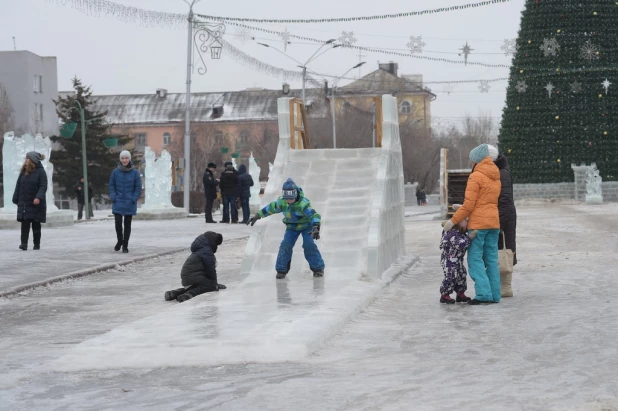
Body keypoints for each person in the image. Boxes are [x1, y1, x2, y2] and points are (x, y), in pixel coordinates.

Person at [443, 144, 501, 305]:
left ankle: (483, 294)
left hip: (478, 226)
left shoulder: (476, 176)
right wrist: (460, 208)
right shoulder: (495, 176)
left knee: (475, 260)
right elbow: (484, 202)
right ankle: (495, 294)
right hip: (494, 223)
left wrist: (452, 221)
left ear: (477, 160)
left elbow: (470, 205)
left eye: (471, 159)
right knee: (491, 259)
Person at [247, 178, 325, 279]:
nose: (289, 201)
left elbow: (314, 215)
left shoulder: (303, 204)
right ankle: (281, 270)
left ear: (295, 195)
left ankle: (318, 268)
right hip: (292, 227)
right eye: (287, 199)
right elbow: (271, 208)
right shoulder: (282, 202)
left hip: (307, 226)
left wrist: (315, 227)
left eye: (291, 199)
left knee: (308, 244)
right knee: (285, 245)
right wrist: (258, 215)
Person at [164, 231, 226, 303]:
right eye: (217, 244)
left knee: (198, 286)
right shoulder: (207, 251)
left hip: (188, 277)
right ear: (213, 242)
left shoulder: (201, 249)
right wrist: (214, 284)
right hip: (192, 276)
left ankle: (174, 293)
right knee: (210, 286)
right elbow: (211, 270)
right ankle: (189, 294)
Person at [13, 152, 47, 251]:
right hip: (24, 203)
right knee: (25, 223)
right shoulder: (23, 172)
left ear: (33, 160)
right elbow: (18, 186)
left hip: (36, 203)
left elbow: (43, 186)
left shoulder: (41, 172)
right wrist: (15, 198)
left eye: (27, 158)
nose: (25, 160)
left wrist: (38, 198)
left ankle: (36, 244)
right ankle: (24, 244)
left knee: (36, 224)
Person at [109, 150, 142, 253]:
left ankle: (125, 245)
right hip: (118, 201)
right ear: (120, 159)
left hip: (129, 202)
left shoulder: (135, 173)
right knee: (118, 223)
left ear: (129, 159)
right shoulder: (115, 172)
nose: (124, 160)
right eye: (122, 158)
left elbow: (138, 187)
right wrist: (113, 196)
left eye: (126, 158)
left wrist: (134, 198)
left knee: (127, 225)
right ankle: (119, 241)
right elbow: (111, 185)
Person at [494, 153, 517, 297]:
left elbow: (504, 199)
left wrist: (499, 223)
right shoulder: (503, 171)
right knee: (506, 249)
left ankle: (505, 287)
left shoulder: (501, 173)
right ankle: (504, 287)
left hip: (503, 217)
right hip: (506, 215)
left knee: (504, 251)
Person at [439, 220, 477, 304]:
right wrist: (469, 237)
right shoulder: (452, 233)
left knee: (461, 275)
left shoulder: (460, 232)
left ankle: (460, 293)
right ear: (458, 222)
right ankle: (444, 295)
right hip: (449, 260)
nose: (468, 223)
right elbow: (460, 245)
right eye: (466, 221)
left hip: (458, 260)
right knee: (451, 276)